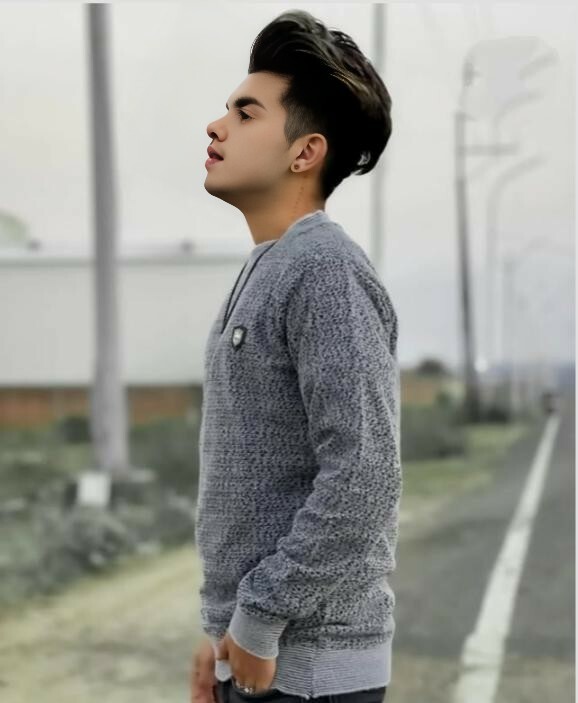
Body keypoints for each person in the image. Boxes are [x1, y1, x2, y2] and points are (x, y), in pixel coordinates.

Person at [191, 9, 400, 703]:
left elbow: (365, 477)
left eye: (245, 113)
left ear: (304, 152)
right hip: (255, 655)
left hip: (306, 668)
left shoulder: (325, 270)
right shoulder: (270, 266)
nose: (216, 126)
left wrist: (257, 619)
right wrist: (219, 638)